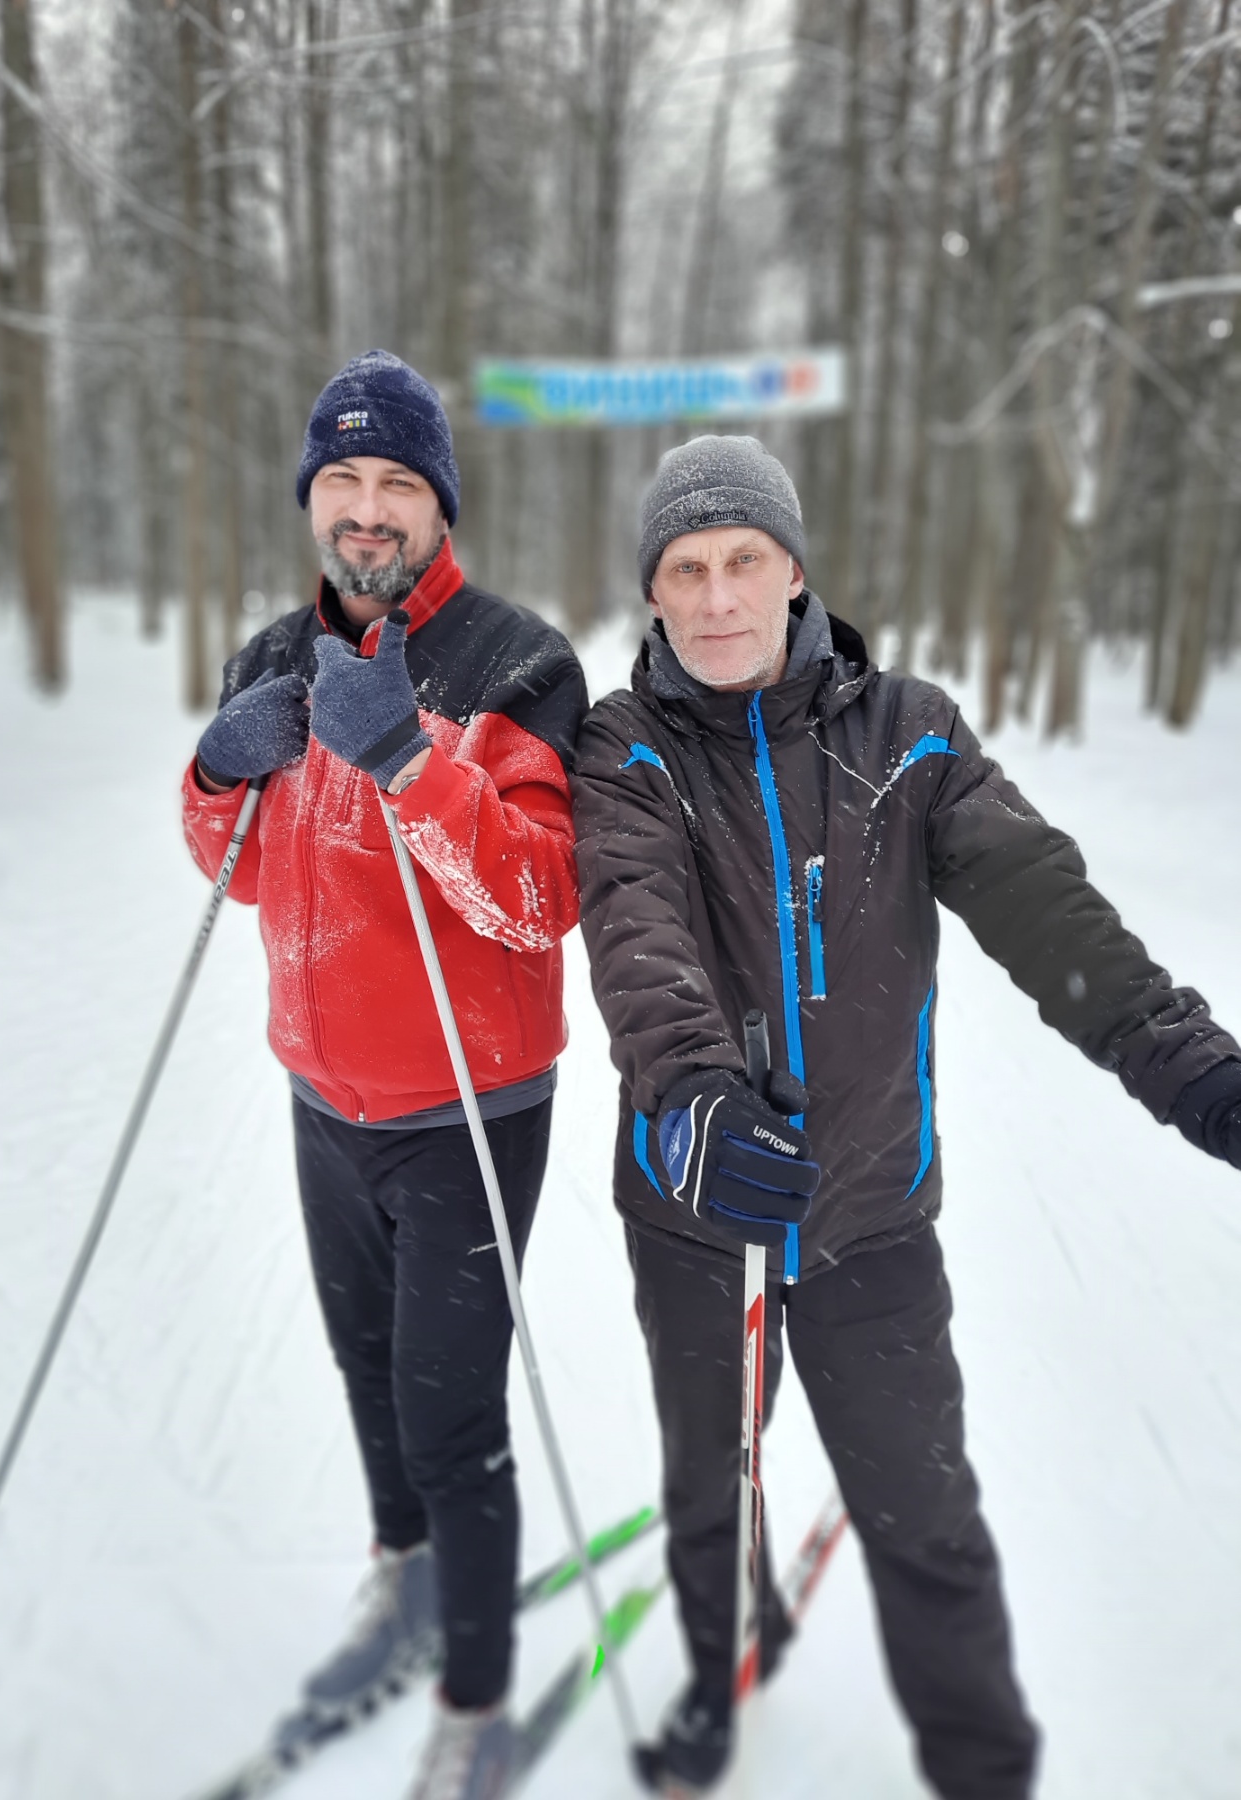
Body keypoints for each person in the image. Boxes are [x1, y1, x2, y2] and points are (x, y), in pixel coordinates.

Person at [571, 433, 1241, 1799]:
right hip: (698, 1213)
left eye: (739, 561)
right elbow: (634, 931)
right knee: (713, 1494)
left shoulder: (907, 735)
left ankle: (982, 1766)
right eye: (682, 571)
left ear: (793, 568)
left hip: (872, 1217)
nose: (713, 599)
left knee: (925, 1517)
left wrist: (1190, 1066)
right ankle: (719, 1675)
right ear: (650, 593)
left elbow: (1052, 917)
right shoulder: (621, 746)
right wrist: (692, 1099)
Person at [182, 350, 586, 1800]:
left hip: (467, 1113)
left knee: (451, 1415)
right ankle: (403, 1580)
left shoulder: (516, 662)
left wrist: (412, 764)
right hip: (320, 1100)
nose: (365, 511)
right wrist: (220, 774)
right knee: (368, 1381)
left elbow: (542, 897)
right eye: (341, 482)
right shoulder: (270, 658)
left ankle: (473, 1701)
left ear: (437, 504)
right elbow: (226, 869)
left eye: (395, 484)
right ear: (313, 501)